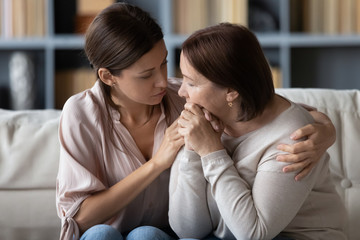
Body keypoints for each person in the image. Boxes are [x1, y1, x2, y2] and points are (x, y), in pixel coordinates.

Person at [56, 3, 337, 240]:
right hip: (109, 230)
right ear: (108, 77)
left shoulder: (189, 99)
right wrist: (157, 164)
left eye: (164, 64)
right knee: (99, 236)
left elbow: (264, 107)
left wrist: (326, 132)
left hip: (166, 233)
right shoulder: (82, 114)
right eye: (146, 75)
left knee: (146, 236)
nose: (164, 82)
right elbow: (79, 216)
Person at [168, 23, 347, 240]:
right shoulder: (207, 119)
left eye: (191, 83)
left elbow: (254, 234)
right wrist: (192, 150)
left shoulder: (293, 139)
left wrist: (211, 152)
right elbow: (188, 230)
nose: (181, 91)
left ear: (232, 91)